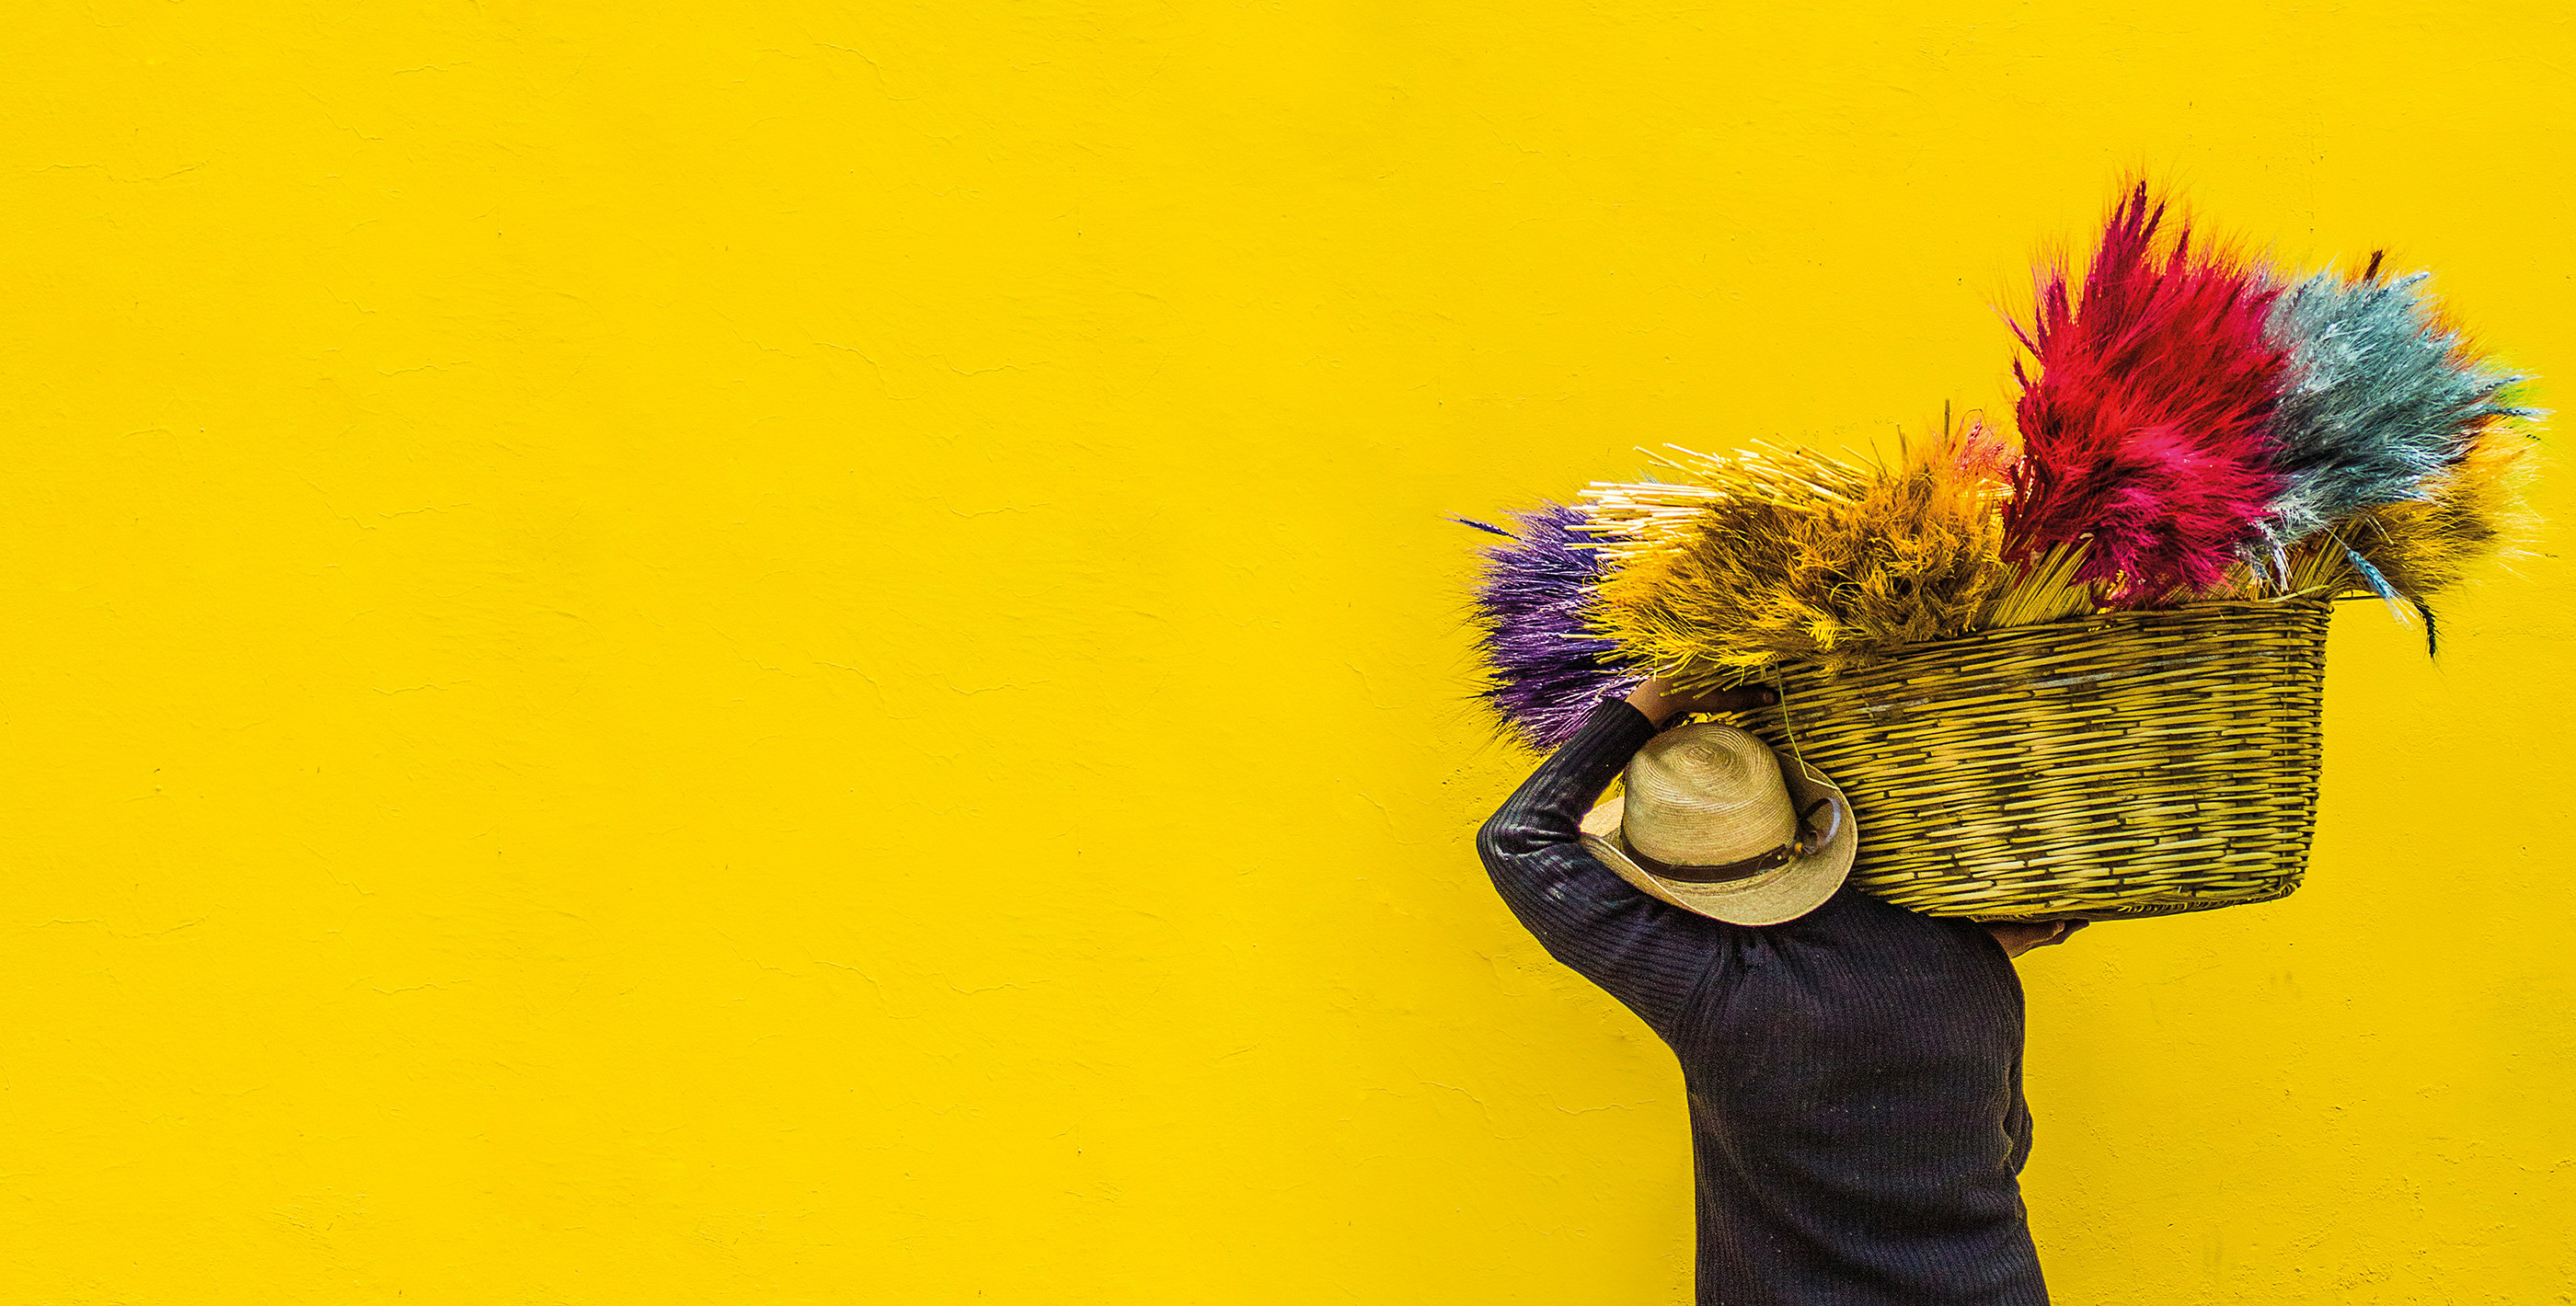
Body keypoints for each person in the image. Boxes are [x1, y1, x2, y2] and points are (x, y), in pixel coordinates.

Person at [1476, 675, 2078, 1305]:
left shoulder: (1708, 988)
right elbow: (2012, 1143)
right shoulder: (1972, 957)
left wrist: (1659, 701)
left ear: (1668, 886)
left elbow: (1515, 840)